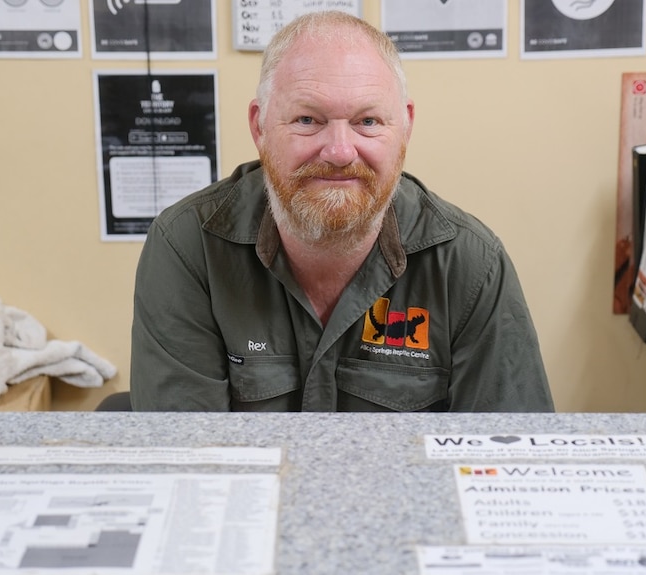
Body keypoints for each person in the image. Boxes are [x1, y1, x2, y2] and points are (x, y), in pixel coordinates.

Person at [130, 11, 554, 412]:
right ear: (259, 127)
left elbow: (505, 457)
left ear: (404, 126)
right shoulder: (189, 247)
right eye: (308, 119)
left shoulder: (470, 265)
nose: (338, 151)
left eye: (367, 121)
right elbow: (185, 459)